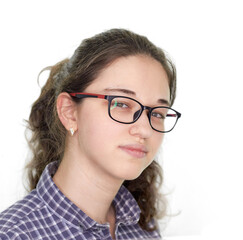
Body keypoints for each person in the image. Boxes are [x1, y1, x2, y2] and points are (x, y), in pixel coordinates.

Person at [0, 28, 181, 240]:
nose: (145, 129)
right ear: (69, 112)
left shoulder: (142, 227)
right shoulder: (13, 235)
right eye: (121, 103)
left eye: (158, 113)